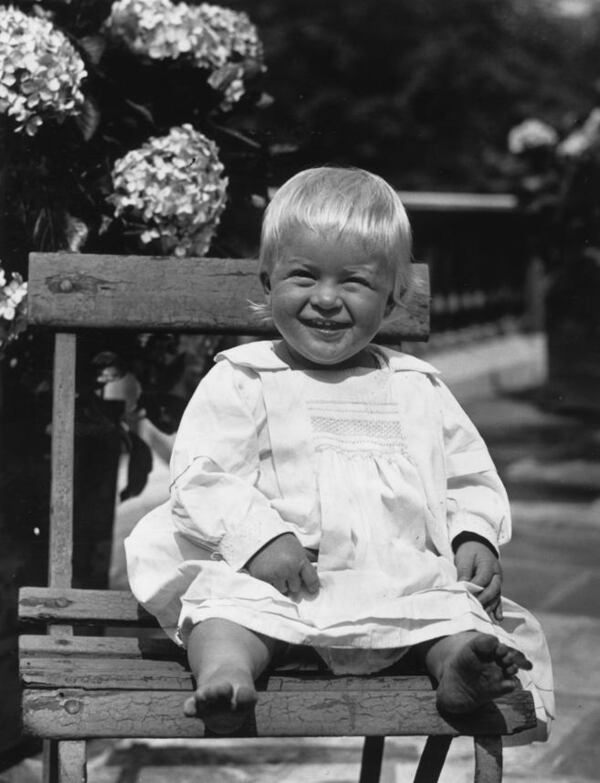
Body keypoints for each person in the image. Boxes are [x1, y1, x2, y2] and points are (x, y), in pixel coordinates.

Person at [125, 166, 554, 739]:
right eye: (303, 276)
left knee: (449, 614)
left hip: (397, 580)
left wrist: (472, 532)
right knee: (224, 610)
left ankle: (457, 667)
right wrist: (258, 538)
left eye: (353, 282)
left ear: (394, 294)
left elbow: (467, 475)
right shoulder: (246, 378)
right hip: (276, 583)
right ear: (268, 278)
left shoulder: (416, 386)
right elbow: (202, 476)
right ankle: (226, 674)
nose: (325, 299)